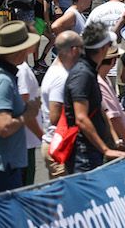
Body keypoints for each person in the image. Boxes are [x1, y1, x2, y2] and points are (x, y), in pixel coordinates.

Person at [64, 22, 125, 174]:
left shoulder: (89, 70)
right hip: (83, 155)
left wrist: (120, 141)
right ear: (102, 48)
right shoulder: (83, 74)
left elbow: (99, 110)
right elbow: (81, 118)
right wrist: (105, 149)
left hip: (91, 151)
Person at [0, 21, 42, 191]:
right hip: (5, 168)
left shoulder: (8, 76)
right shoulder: (4, 80)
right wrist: (28, 115)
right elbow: (4, 127)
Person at [40, 31, 82, 179]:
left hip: (58, 144)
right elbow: (55, 116)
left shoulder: (60, 71)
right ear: (74, 50)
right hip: (60, 146)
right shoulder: (61, 77)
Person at [97, 42, 125, 152]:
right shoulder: (98, 83)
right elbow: (112, 117)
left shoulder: (105, 80)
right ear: (113, 61)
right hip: (114, 140)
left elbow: (119, 110)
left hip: (120, 135)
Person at [16, 43, 43, 185]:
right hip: (25, 139)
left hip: (25, 139)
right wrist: (41, 134)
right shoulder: (23, 70)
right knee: (25, 185)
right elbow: (23, 105)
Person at [34, 0, 57, 71]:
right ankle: (37, 63)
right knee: (37, 43)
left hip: (40, 21)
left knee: (52, 39)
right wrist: (48, 24)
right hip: (40, 21)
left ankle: (41, 60)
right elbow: (45, 11)